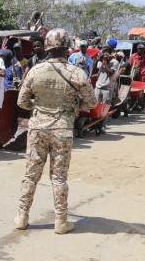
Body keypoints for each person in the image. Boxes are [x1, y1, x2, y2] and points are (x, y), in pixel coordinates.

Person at [14, 28, 96, 234]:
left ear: (47, 47)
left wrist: (38, 107)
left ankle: (22, 217)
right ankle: (60, 221)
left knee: (31, 175)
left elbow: (22, 102)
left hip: (37, 129)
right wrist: (74, 107)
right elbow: (91, 102)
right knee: (59, 178)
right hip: (62, 128)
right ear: (67, 48)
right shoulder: (76, 73)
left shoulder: (35, 71)